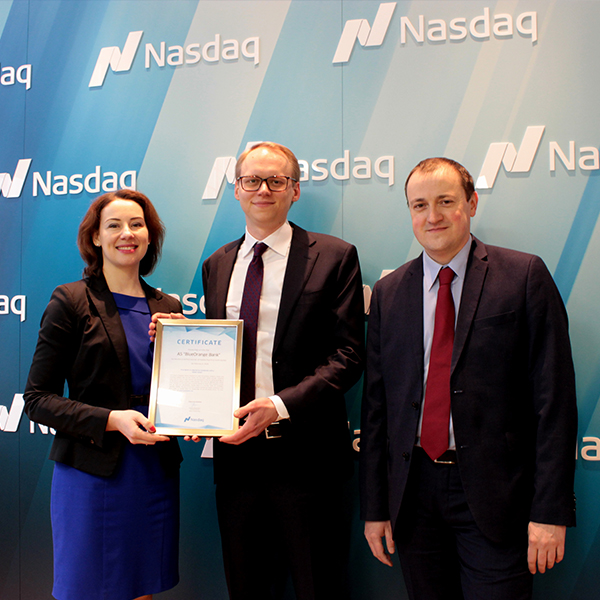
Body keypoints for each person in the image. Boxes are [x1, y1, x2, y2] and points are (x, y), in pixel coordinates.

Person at [359, 157, 577, 600]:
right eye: (420, 205)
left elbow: (554, 399)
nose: (432, 216)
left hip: (497, 494)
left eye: (445, 201)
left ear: (472, 203)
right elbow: (377, 408)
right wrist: (376, 507)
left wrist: (550, 510)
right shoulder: (389, 292)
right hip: (414, 495)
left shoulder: (523, 276)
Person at [155, 142, 364, 599]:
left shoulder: (334, 256)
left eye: (276, 180)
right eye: (252, 180)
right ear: (236, 189)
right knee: (246, 588)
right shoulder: (217, 264)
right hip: (237, 462)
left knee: (318, 588)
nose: (263, 190)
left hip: (308, 458)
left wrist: (278, 405)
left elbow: (348, 355)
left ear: (295, 190)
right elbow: (219, 353)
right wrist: (180, 349)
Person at [24, 189, 182, 600]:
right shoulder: (71, 300)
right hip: (92, 474)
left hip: (154, 470)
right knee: (91, 588)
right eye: (114, 225)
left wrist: (193, 415)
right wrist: (112, 420)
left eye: (137, 224)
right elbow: (37, 399)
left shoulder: (168, 307)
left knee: (143, 587)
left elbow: (179, 389)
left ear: (149, 235)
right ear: (95, 237)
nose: (127, 233)